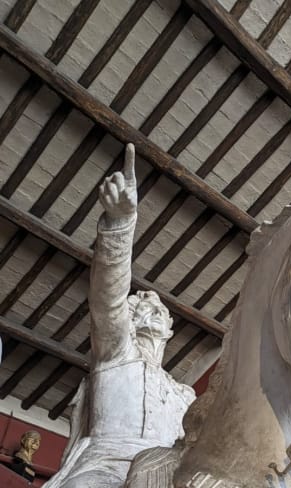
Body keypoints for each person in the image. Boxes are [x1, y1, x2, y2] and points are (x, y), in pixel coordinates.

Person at [45, 144, 195, 488]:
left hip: (171, 475)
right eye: (140, 305)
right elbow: (107, 297)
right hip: (107, 468)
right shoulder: (116, 355)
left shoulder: (185, 395)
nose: (149, 310)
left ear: (168, 330)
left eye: (157, 310)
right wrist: (120, 224)